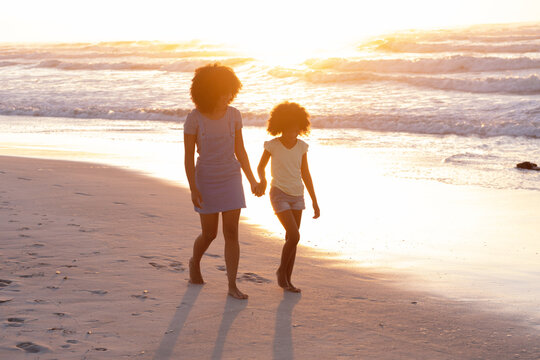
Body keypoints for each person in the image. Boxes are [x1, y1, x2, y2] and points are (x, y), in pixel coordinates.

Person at [184, 63, 259, 300]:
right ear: (208, 91)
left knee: (232, 232)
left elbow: (241, 151)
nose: (228, 95)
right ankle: (195, 261)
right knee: (209, 234)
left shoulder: (234, 115)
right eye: (222, 91)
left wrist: (253, 180)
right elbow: (188, 158)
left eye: (230, 90)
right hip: (205, 178)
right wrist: (193, 188)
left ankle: (232, 285)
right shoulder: (194, 119)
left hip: (230, 177)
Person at [256, 102, 320, 293]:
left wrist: (314, 201)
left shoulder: (302, 147)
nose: (295, 131)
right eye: (291, 127)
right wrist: (263, 180)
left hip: (297, 195)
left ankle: (288, 280)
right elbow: (260, 167)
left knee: (291, 239)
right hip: (279, 193)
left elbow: (306, 174)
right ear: (282, 126)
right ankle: (281, 272)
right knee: (294, 235)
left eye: (297, 128)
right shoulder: (272, 145)